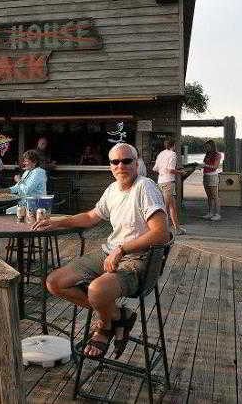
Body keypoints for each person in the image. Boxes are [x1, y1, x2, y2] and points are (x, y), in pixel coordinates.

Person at [34, 143, 170, 358]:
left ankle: (104, 327)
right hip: (110, 252)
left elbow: (161, 233)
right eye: (115, 162)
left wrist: (122, 249)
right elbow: (90, 217)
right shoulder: (112, 189)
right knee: (54, 282)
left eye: (126, 161)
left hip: (138, 257)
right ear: (110, 166)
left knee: (96, 290)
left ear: (137, 164)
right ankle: (117, 315)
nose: (120, 165)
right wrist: (57, 222)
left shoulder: (145, 186)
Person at [0, 149, 47, 214]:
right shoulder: (27, 172)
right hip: (24, 205)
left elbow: (27, 190)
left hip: (35, 207)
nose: (24, 163)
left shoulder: (39, 172)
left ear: (34, 162)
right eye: (24, 161)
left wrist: (19, 180)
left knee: (7, 214)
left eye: (26, 161)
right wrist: (1, 191)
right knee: (6, 212)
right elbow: (17, 188)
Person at [153, 138, 185, 235]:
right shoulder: (173, 154)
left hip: (160, 181)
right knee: (165, 208)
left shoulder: (161, 154)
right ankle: (162, 231)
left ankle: (177, 229)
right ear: (173, 145)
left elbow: (155, 169)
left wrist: (162, 171)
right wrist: (180, 172)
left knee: (172, 207)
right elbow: (170, 169)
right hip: (168, 182)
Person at [201, 140, 223, 221]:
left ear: (212, 146)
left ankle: (218, 214)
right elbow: (205, 165)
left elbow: (215, 167)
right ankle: (210, 213)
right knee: (209, 196)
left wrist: (205, 165)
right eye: (206, 147)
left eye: (208, 146)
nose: (206, 148)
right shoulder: (207, 154)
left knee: (215, 196)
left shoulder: (218, 154)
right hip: (205, 176)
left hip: (212, 176)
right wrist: (199, 166)